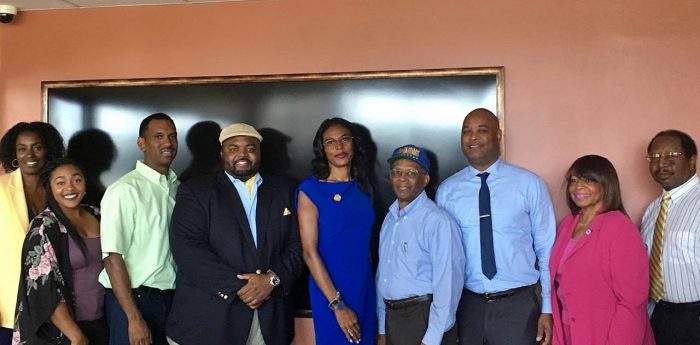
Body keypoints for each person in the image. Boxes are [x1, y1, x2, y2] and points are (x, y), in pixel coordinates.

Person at [166, 123, 303, 345]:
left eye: (250, 148)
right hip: (209, 322)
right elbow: (187, 248)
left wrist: (271, 279)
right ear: (222, 153)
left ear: (259, 153)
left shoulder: (284, 190)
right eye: (233, 148)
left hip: (269, 321)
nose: (242, 154)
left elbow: (297, 244)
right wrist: (242, 287)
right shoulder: (196, 191)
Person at [436, 108, 555, 345]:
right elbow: (444, 255)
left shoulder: (529, 184)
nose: (473, 137)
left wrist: (548, 308)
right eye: (467, 131)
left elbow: (546, 248)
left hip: (519, 306)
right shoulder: (447, 191)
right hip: (468, 306)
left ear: (498, 136)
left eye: (482, 130)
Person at [550, 155, 654, 345]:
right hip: (568, 332)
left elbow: (632, 301)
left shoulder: (619, 228)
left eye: (589, 180)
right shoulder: (567, 225)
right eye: (574, 180)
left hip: (607, 333)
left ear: (606, 184)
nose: (578, 186)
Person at [98, 113, 179, 345]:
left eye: (173, 136)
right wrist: (133, 318)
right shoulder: (124, 190)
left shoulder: (178, 188)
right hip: (133, 301)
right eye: (159, 136)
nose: (168, 143)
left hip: (172, 302)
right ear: (142, 144)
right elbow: (112, 258)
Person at [297, 117, 376, 344]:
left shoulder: (364, 187)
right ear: (322, 149)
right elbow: (309, 253)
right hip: (331, 292)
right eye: (330, 142)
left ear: (354, 143)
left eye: (344, 139)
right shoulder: (311, 190)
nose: (339, 147)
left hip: (365, 287)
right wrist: (337, 305)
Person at [376, 145, 465, 345]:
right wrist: (383, 329)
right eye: (397, 172)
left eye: (411, 173)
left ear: (425, 180)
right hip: (393, 319)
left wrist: (432, 339)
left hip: (423, 319)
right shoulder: (390, 220)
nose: (402, 178)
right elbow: (383, 277)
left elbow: (448, 284)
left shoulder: (438, 221)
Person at [13, 158, 107, 345]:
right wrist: (76, 337)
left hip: (104, 322)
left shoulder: (98, 214)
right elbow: (43, 289)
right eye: (60, 183)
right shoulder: (43, 227)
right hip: (65, 333)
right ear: (50, 188)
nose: (70, 188)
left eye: (76, 180)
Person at [0, 122, 65, 345]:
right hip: (9, 306)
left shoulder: (60, 189)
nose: (30, 154)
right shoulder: (0, 188)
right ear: (14, 153)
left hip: (56, 305)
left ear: (47, 150)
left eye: (37, 147)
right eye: (22, 148)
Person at [642, 129, 700, 345]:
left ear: (692, 161)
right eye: (655, 157)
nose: (661, 163)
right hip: (661, 314)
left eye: (671, 156)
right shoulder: (652, 210)